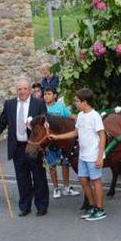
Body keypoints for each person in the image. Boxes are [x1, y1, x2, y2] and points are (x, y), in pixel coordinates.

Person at [0, 77, 49, 217]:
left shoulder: (39, 104)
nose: (22, 92)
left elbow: (45, 122)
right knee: (22, 179)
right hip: (17, 147)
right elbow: (1, 122)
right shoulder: (9, 104)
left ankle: (41, 206)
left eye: (25, 89)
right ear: (16, 90)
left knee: (39, 177)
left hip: (34, 146)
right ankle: (25, 206)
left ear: (29, 90)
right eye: (19, 89)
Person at [49, 88, 107, 221]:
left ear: (84, 102)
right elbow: (76, 133)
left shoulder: (95, 116)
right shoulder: (80, 115)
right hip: (83, 156)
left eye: (76, 101)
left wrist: (99, 157)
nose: (75, 103)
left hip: (93, 156)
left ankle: (100, 209)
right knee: (83, 180)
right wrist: (58, 137)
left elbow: (102, 136)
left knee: (96, 182)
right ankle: (92, 206)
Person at [42, 87, 80, 199]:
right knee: (52, 165)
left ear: (54, 95)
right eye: (45, 94)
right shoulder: (42, 108)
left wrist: (81, 118)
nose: (46, 96)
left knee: (65, 164)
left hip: (63, 142)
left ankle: (66, 187)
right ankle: (56, 188)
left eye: (49, 94)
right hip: (50, 143)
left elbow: (70, 117)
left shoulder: (60, 107)